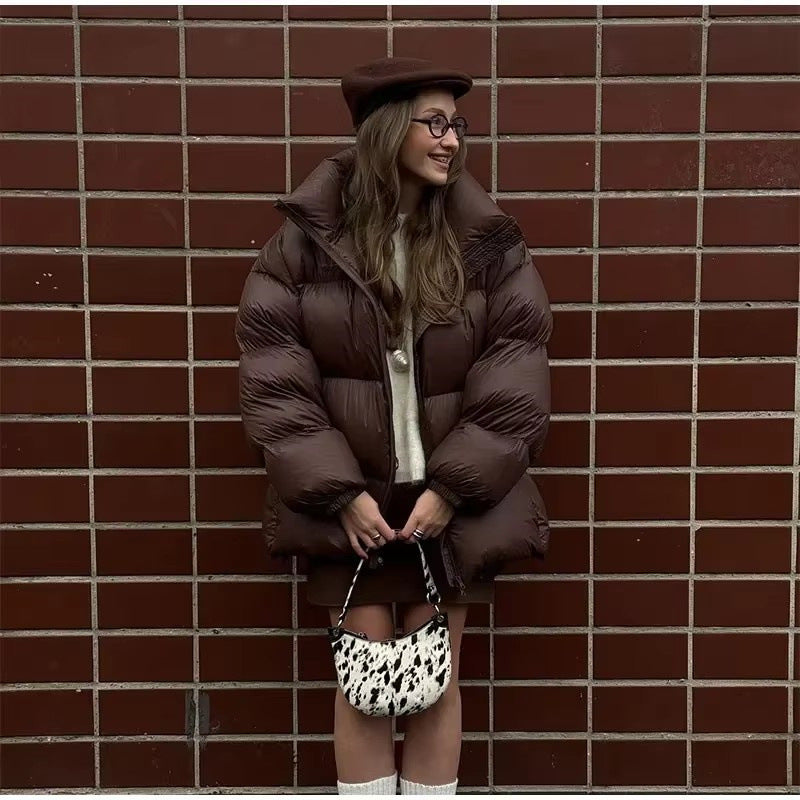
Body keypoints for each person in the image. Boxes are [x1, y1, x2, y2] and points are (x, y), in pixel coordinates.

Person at [236, 57, 553, 795]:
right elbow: (274, 378)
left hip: (454, 502)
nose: (451, 140)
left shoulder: (487, 242)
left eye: (457, 125)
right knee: (363, 688)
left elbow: (516, 373)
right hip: (354, 507)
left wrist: (454, 489)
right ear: (386, 131)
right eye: (433, 123)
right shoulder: (303, 246)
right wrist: (339, 494)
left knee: (436, 685)